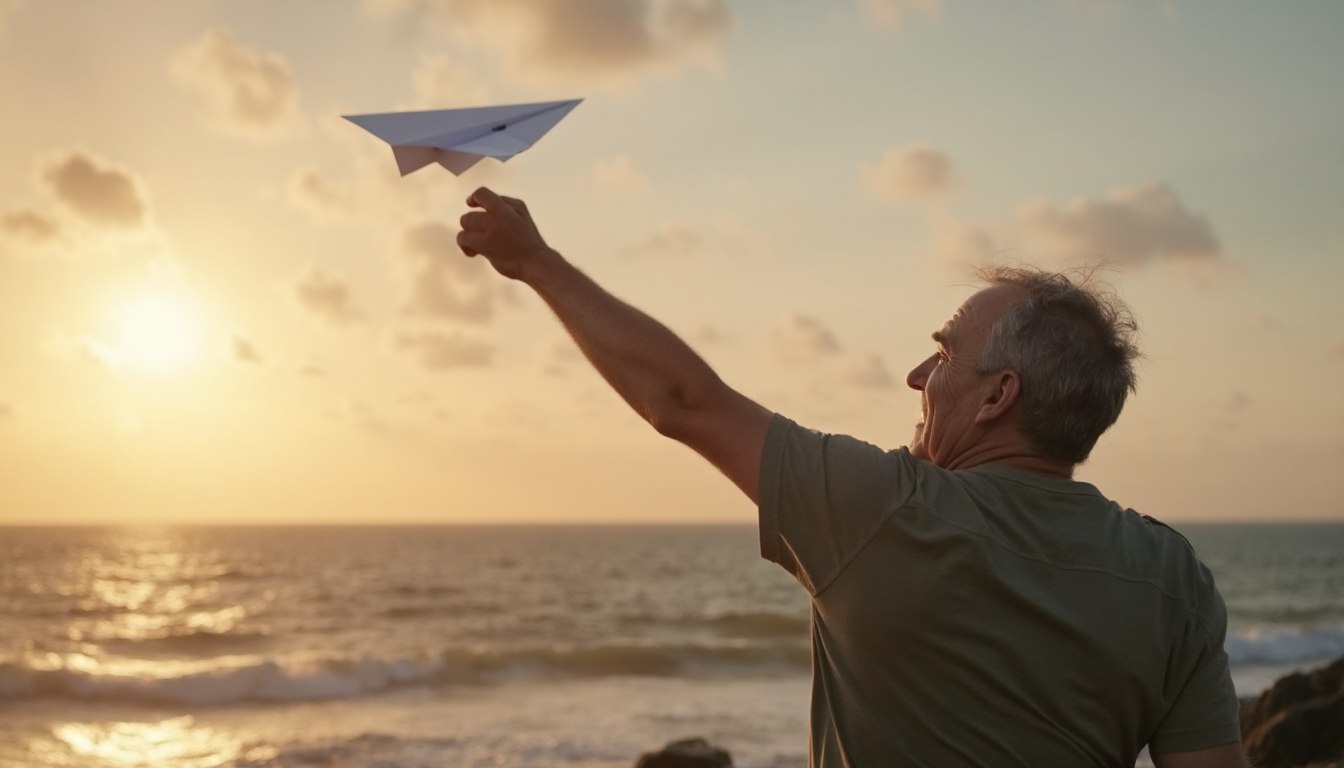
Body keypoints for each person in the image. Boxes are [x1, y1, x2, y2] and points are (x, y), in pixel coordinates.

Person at [456, 187, 1247, 768]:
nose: (915, 377)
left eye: (942, 355)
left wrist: (535, 262)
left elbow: (681, 400)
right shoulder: (1172, 576)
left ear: (998, 397)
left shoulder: (880, 508)